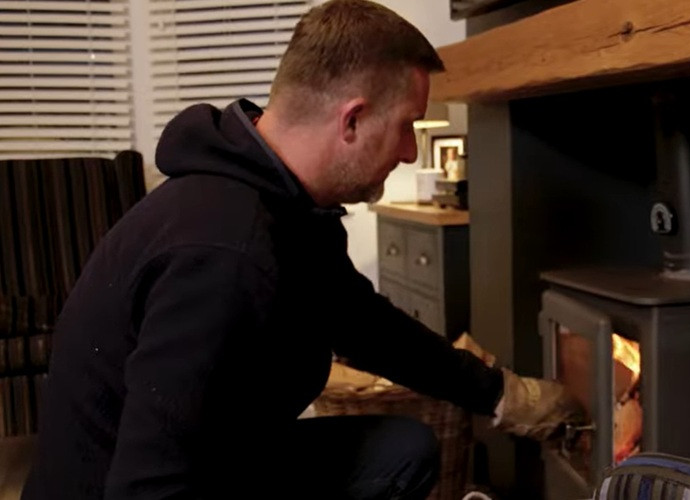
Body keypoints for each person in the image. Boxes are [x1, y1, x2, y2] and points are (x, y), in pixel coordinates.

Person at [22, 1, 583, 498]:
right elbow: (149, 485)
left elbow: (367, 327)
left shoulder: (282, 207)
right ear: (353, 119)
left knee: (402, 448)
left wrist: (506, 396)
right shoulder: (225, 254)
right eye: (409, 126)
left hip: (215, 458)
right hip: (126, 485)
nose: (412, 153)